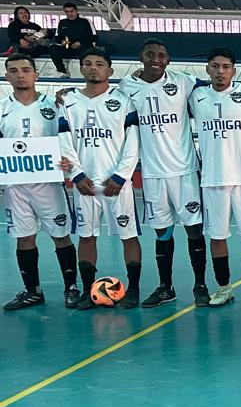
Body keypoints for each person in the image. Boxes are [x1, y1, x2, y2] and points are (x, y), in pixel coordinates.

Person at [119, 38, 209, 307]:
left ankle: (200, 285)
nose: (155, 59)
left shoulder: (184, 81)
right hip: (152, 174)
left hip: (184, 171)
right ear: (140, 57)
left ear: (168, 59)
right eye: (150, 54)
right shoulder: (127, 87)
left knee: (194, 229)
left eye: (161, 55)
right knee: (162, 233)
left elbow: (220, 88)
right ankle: (165, 287)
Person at [56, 48, 143, 309]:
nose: (93, 68)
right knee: (86, 235)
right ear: (81, 69)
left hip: (117, 184)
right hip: (85, 184)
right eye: (88, 64)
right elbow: (64, 141)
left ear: (110, 71)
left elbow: (133, 142)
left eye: (99, 64)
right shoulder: (68, 102)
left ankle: (134, 289)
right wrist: (77, 175)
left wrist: (120, 176)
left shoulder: (124, 101)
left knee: (128, 235)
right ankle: (86, 290)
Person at [188, 48, 241, 307]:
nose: (220, 71)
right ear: (207, 70)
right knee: (217, 237)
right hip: (212, 180)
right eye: (215, 66)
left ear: (234, 70)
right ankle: (224, 288)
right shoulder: (196, 96)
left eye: (225, 67)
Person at [0, 53, 78, 310]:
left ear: (36, 74)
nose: (20, 74)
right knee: (24, 238)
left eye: (25, 70)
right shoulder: (2, 108)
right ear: (7, 75)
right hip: (15, 186)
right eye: (14, 70)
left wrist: (67, 161)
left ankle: (72, 288)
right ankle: (32, 291)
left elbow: (68, 140)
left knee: (61, 236)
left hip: (49, 184)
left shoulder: (55, 106)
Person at [51, 3, 96, 75]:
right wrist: (63, 41)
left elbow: (94, 37)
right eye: (67, 12)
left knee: (84, 49)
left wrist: (80, 43)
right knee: (53, 48)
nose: (69, 14)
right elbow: (57, 37)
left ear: (76, 11)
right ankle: (62, 71)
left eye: (71, 11)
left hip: (83, 46)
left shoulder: (85, 21)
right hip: (68, 47)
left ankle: (85, 71)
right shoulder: (62, 22)